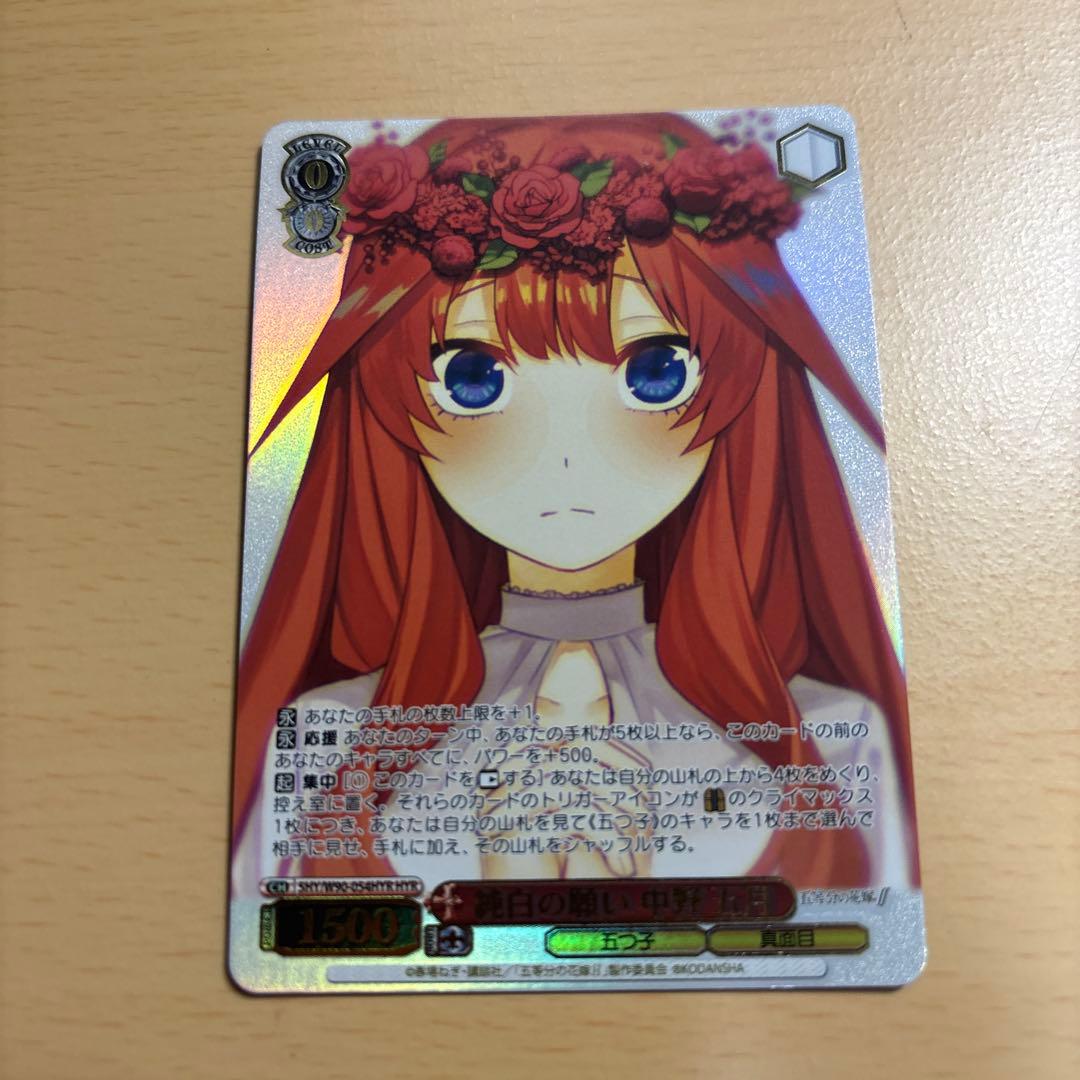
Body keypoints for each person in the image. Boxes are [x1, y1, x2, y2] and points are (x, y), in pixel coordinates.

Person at [232, 113, 918, 897]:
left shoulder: (834, 740)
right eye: (473, 380)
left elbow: (867, 934)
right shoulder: (327, 741)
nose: (562, 460)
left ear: (746, 395)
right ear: (383, 410)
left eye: (655, 373)